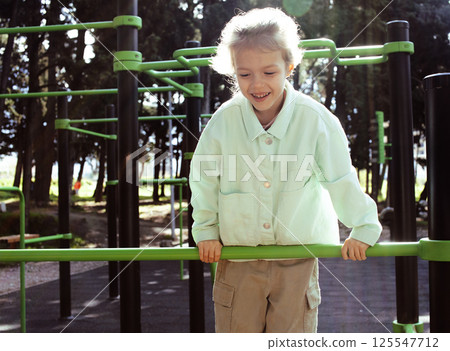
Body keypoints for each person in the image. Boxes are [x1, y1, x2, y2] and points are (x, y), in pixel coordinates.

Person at [189, 7, 382, 333]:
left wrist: (362, 225)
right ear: (233, 71)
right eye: (245, 74)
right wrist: (206, 230)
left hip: (297, 259)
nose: (257, 84)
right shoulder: (223, 122)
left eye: (269, 72)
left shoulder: (315, 120)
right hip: (239, 258)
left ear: (289, 67)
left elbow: (340, 178)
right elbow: (205, 179)